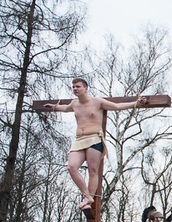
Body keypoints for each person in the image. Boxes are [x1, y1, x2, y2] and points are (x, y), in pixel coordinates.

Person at [44, 78, 147, 211]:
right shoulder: (74, 103)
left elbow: (116, 106)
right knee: (71, 166)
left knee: (93, 170)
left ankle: (89, 199)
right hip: (79, 139)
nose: (75, 89)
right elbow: (65, 108)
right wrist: (54, 107)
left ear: (86, 88)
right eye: (73, 87)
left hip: (94, 138)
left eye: (78, 86)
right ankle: (87, 195)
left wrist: (137, 103)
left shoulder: (97, 101)